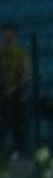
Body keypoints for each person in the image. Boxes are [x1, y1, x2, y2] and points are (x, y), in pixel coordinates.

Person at [0, 24, 31, 157]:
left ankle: (21, 148)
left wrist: (13, 87)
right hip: (2, 92)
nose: (8, 39)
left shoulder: (22, 54)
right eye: (5, 36)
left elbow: (26, 74)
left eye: (10, 36)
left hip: (17, 93)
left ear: (15, 38)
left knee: (18, 115)